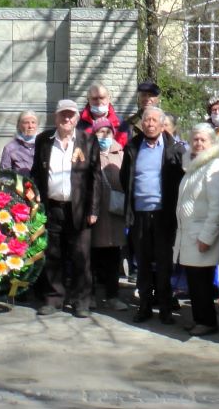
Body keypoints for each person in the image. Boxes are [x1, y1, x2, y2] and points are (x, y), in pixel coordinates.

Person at [31, 99, 101, 318]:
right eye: (63, 115)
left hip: (79, 208)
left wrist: (94, 210)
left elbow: (95, 178)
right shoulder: (44, 140)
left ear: (77, 118)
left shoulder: (88, 140)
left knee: (81, 256)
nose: (67, 119)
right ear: (56, 117)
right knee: (53, 254)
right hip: (52, 207)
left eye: (71, 115)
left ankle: (81, 301)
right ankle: (54, 298)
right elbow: (36, 172)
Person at [120, 106, 184, 324]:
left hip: (164, 215)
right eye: (146, 120)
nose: (149, 124)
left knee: (164, 263)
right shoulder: (133, 146)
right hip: (139, 214)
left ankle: (165, 307)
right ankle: (145, 305)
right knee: (143, 262)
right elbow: (124, 178)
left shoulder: (174, 148)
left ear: (161, 123)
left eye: (154, 120)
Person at [174, 124, 219, 336]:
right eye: (195, 139)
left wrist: (207, 237)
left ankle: (207, 322)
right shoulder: (194, 165)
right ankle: (200, 319)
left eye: (203, 140)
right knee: (195, 281)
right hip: (189, 233)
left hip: (202, 234)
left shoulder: (215, 166)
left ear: (212, 143)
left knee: (202, 283)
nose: (198, 143)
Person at [90, 118, 127, 311]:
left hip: (115, 214)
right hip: (94, 214)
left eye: (108, 132)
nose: (104, 136)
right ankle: (91, 296)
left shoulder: (121, 153)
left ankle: (113, 296)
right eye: (100, 132)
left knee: (113, 258)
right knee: (93, 257)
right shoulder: (88, 153)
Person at [0, 110, 39, 176]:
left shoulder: (44, 145)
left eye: (33, 122)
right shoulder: (10, 148)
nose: (30, 126)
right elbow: (4, 175)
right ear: (19, 126)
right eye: (26, 123)